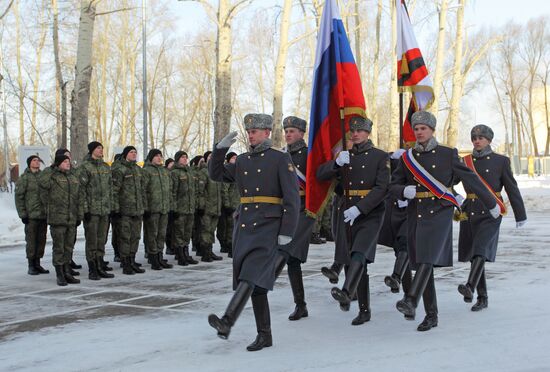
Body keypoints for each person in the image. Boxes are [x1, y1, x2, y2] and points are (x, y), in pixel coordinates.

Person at [390, 111, 499, 331]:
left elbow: (470, 179)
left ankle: (411, 300)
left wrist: (491, 203)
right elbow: (391, 186)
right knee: (423, 262)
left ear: (432, 130)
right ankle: (431, 315)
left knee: (428, 256)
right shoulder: (407, 158)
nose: (419, 132)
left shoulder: (448, 153)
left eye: (423, 129)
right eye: (417, 129)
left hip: (440, 212)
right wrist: (403, 190)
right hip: (416, 213)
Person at [207, 113, 300, 351]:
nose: (251, 135)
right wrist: (220, 149)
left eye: (255, 131)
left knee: (250, 276)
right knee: (255, 284)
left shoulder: (280, 158)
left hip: (269, 227)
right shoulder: (244, 161)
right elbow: (215, 174)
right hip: (246, 226)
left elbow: (291, 198)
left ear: (267, 133)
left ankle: (227, 321)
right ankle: (265, 335)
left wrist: (287, 231)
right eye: (249, 132)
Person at [317, 116, 389, 325]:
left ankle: (347, 291)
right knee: (351, 260)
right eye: (353, 131)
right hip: (346, 211)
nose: (355, 134)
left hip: (370, 212)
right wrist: (335, 164)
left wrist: (361, 207)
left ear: (368, 133)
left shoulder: (379, 156)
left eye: (360, 131)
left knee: (360, 253)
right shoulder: (344, 156)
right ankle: (364, 310)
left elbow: (382, 188)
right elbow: (320, 175)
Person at [457, 124, 527, 311]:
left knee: (481, 249)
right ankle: (482, 297)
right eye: (474, 138)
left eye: (480, 137)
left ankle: (470, 286)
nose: (477, 141)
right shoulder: (464, 162)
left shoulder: (500, 161)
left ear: (488, 140)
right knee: (474, 255)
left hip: (492, 211)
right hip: (469, 211)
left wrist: (520, 214)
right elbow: (447, 180)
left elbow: (511, 187)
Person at [273, 116, 315, 321]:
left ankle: (260, 285)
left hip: (305, 210)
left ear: (301, 133)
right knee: (293, 260)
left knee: (286, 250)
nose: (288, 134)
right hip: (286, 210)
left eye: (292, 131)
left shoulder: (310, 155)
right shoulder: (280, 155)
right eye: (286, 130)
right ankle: (301, 305)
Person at [40, 155, 84, 286]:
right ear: (58, 164)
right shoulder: (52, 176)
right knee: (59, 248)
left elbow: (79, 197)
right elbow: (43, 184)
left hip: (71, 217)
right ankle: (60, 274)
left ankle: (67, 272)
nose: (68, 163)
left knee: (68, 247)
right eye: (65, 162)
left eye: (69, 161)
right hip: (57, 218)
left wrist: (79, 215)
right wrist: (51, 168)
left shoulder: (72, 177)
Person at [78, 141, 115, 280]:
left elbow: (110, 189)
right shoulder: (85, 167)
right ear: (92, 150)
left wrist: (111, 206)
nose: (101, 150)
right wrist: (85, 209)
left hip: (104, 210)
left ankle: (100, 266)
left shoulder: (106, 167)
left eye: (102, 148)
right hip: (92, 211)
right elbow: (81, 190)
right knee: (92, 241)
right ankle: (92, 269)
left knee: (101, 240)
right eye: (98, 148)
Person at [379, 148, 412, 299]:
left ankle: (396, 276)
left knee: (405, 245)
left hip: (411, 212)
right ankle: (407, 291)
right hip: (393, 214)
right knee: (400, 251)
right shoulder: (387, 164)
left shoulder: (414, 160)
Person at [111, 146, 146, 275]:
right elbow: (114, 190)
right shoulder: (119, 169)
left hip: (137, 210)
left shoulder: (137, 169)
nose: (134, 154)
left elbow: (142, 190)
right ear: (125, 154)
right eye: (131, 152)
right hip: (124, 210)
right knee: (125, 237)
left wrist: (143, 206)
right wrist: (115, 208)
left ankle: (132, 260)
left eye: (135, 152)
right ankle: (125, 263)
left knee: (135, 237)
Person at [15, 155, 48, 275]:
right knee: (31, 241)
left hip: (43, 215)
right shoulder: (24, 178)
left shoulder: (43, 176)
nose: (37, 162)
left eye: (38, 160)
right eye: (34, 160)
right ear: (29, 163)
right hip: (31, 215)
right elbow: (19, 197)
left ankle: (38, 263)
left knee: (41, 240)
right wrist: (23, 214)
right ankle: (31, 265)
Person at [142, 149, 173, 270]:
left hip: (164, 208)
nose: (159, 158)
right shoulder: (146, 171)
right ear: (151, 158)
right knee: (152, 234)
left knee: (161, 234)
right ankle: (153, 257)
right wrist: (146, 207)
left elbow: (169, 190)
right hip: (152, 209)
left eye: (160, 156)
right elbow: (143, 191)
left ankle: (160, 256)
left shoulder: (165, 172)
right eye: (156, 156)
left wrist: (170, 206)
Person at [170, 150, 199, 266]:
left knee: (187, 232)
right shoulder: (175, 173)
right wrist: (174, 208)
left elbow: (194, 191)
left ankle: (186, 253)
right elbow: (172, 192)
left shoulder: (189, 172)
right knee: (179, 233)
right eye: (182, 157)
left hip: (189, 208)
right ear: (177, 159)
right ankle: (180, 254)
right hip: (180, 209)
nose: (185, 159)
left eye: (186, 157)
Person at [199, 151, 223, 262]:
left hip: (216, 207)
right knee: (206, 230)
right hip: (207, 208)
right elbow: (200, 191)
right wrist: (202, 206)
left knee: (211, 230)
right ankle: (205, 252)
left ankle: (210, 250)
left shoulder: (216, 172)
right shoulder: (204, 172)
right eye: (209, 156)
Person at [217, 151, 239, 257]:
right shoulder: (228, 171)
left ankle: (233, 246)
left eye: (236, 157)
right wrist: (227, 205)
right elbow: (224, 190)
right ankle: (229, 247)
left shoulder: (237, 170)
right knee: (230, 227)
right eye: (233, 158)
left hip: (237, 203)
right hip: (230, 204)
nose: (235, 159)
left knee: (234, 227)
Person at [165, 157, 176, 255]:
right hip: (164, 206)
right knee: (168, 229)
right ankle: (169, 247)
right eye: (170, 164)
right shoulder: (166, 174)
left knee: (174, 229)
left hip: (173, 205)